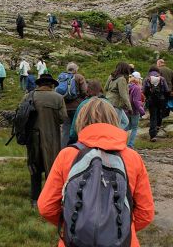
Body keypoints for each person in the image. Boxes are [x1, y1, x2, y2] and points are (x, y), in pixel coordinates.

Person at [38, 98, 154, 247]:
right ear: (114, 120)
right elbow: (146, 213)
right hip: (123, 242)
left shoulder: (67, 155)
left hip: (75, 241)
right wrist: (117, 231)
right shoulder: (133, 157)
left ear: (81, 121)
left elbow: (46, 206)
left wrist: (76, 225)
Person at [24, 74, 68, 207]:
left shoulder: (28, 96)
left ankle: (35, 199)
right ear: (52, 85)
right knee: (52, 168)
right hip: (52, 138)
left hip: (33, 139)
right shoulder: (58, 98)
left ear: (39, 84)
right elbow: (63, 118)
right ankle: (51, 199)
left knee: (34, 168)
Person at [68, 80, 106, 144]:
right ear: (100, 89)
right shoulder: (108, 103)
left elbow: (75, 126)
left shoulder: (83, 104)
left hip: (86, 141)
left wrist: (72, 139)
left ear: (88, 89)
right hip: (104, 140)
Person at [60, 62, 88, 148]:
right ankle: (76, 149)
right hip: (77, 107)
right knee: (77, 128)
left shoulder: (62, 77)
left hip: (65, 107)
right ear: (75, 70)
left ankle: (64, 149)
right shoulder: (79, 77)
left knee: (65, 129)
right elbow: (84, 91)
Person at [144, 65, 169, 142]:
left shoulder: (147, 79)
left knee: (153, 117)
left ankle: (152, 135)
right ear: (158, 71)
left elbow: (143, 90)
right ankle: (158, 126)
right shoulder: (162, 79)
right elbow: (166, 90)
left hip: (151, 100)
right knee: (159, 113)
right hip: (161, 100)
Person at [104, 62, 132, 130]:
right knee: (115, 125)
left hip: (108, 102)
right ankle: (112, 136)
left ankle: (112, 134)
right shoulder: (122, 79)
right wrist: (129, 107)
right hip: (116, 104)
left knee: (125, 122)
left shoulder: (111, 76)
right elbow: (124, 95)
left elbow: (105, 88)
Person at [126, 71, 145, 148]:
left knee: (127, 126)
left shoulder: (127, 86)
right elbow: (136, 101)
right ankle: (130, 145)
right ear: (138, 79)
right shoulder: (137, 88)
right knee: (134, 128)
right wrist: (142, 111)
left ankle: (120, 141)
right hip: (135, 110)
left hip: (127, 110)